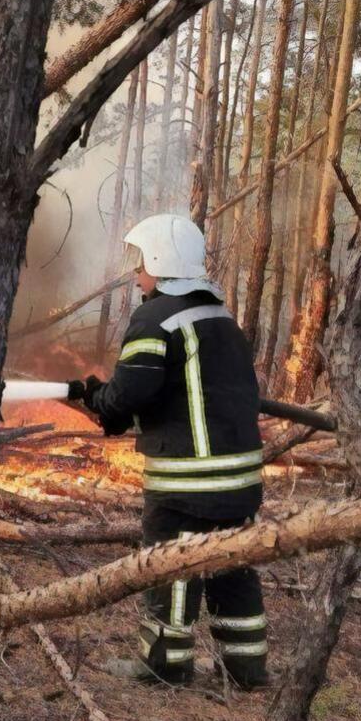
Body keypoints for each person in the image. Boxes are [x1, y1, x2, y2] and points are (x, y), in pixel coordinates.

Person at [68, 213, 268, 689]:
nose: (137, 274)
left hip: (188, 483)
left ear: (160, 261)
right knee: (232, 564)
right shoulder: (219, 318)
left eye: (141, 263)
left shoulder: (156, 317)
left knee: (172, 562)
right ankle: (245, 667)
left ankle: (165, 664)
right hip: (240, 480)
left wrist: (95, 400)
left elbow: (130, 394)